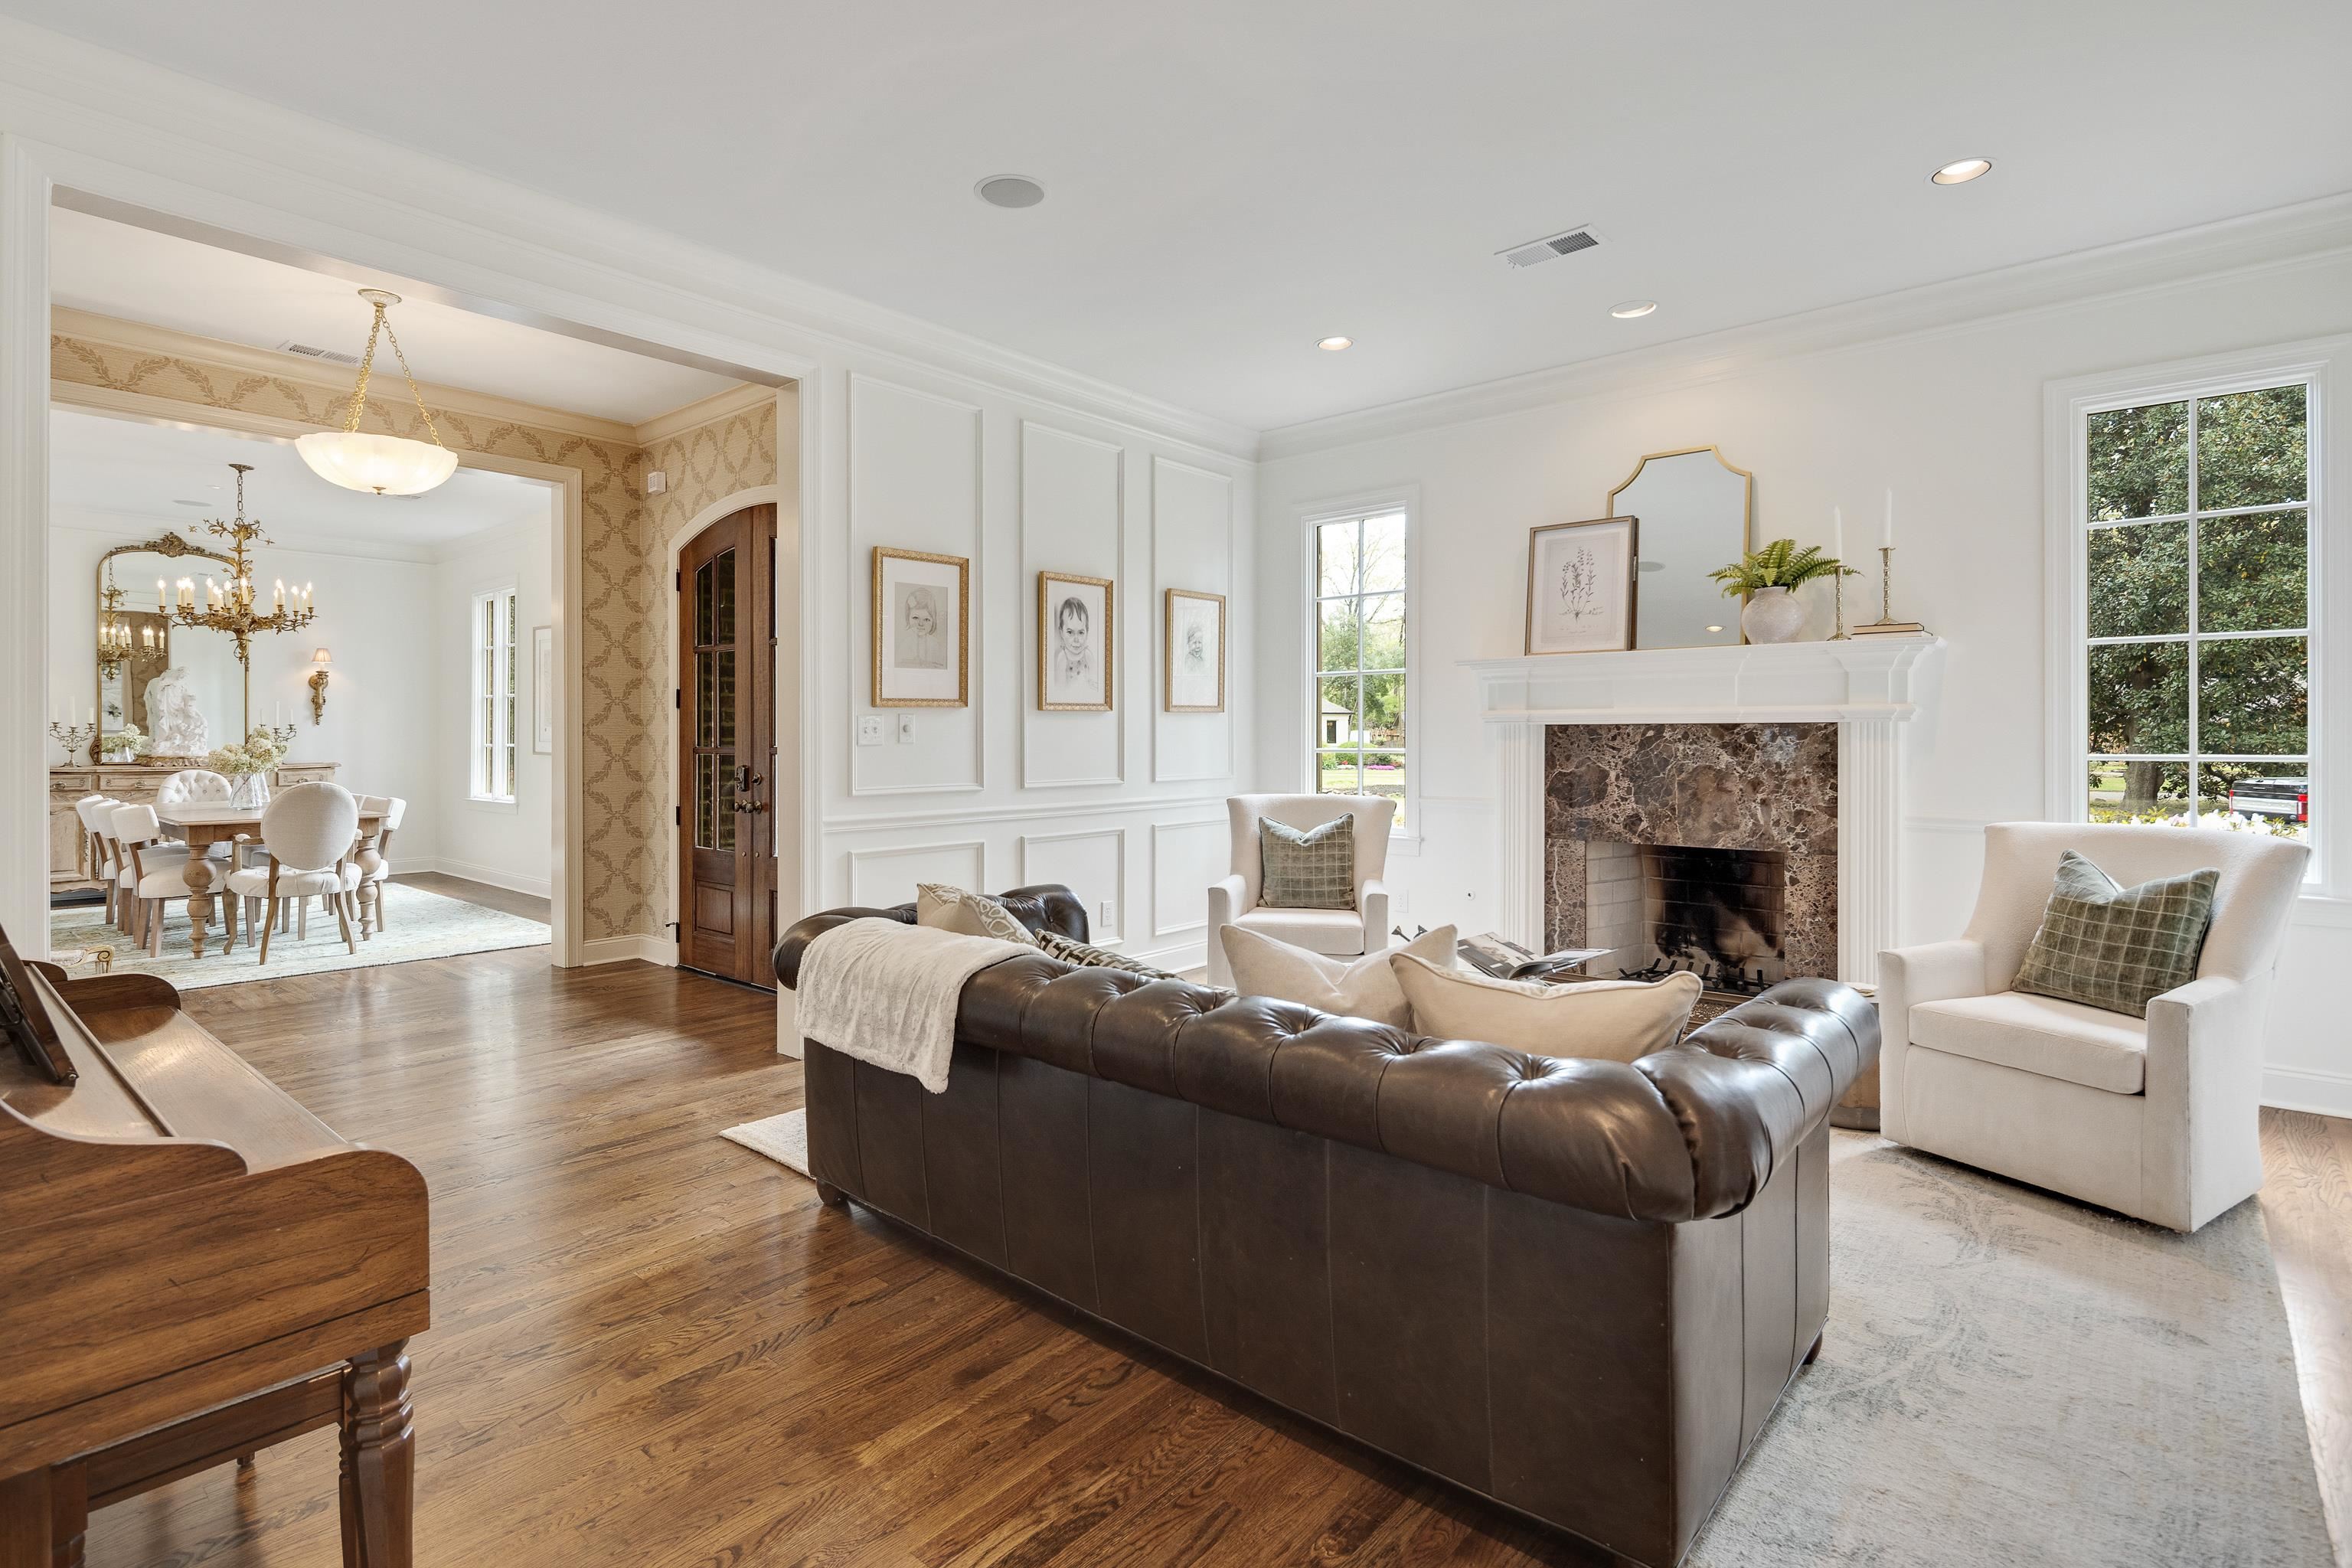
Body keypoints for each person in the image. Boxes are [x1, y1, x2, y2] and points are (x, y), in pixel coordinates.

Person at [1050, 594, 1094, 698]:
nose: (1076, 639)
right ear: (1061, 632)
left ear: (1087, 632)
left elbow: (1095, 680)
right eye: (1070, 632)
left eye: (1081, 632)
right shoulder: (1062, 658)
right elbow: (1060, 690)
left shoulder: (1088, 655)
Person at [898, 585, 946, 669]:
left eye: (926, 619)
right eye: (916, 618)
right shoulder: (906, 644)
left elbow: (940, 667)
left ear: (933, 621)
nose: (921, 624)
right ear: (908, 618)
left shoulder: (935, 645)